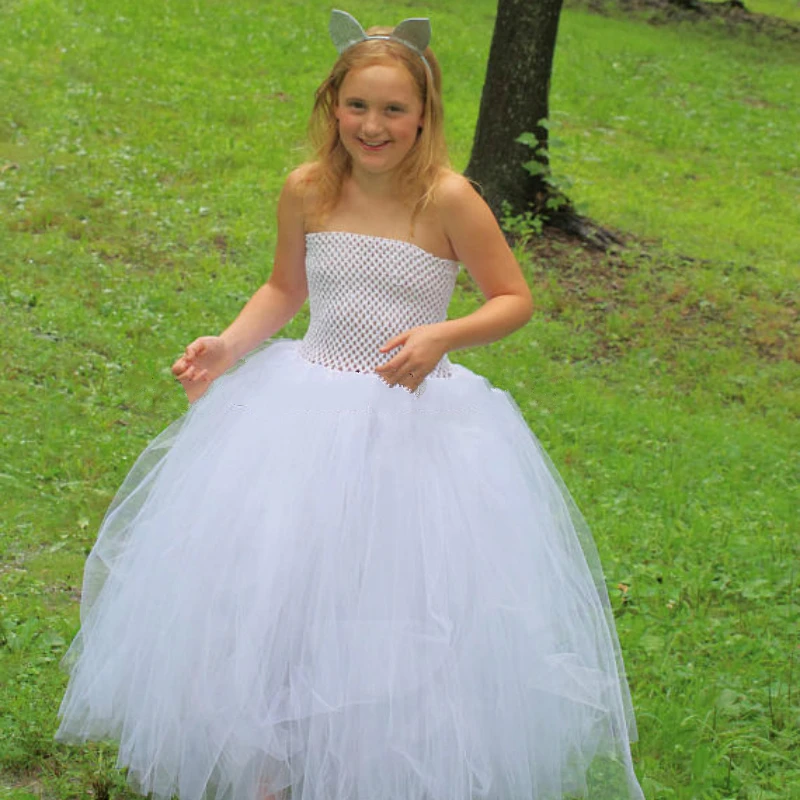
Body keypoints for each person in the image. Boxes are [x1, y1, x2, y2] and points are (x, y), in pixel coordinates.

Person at [56, 9, 645, 800]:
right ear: (334, 105)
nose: (374, 125)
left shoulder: (448, 199)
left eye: (394, 109)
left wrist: (444, 335)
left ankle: (369, 756)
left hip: (409, 425)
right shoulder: (308, 189)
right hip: (302, 417)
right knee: (280, 587)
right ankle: (270, 762)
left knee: (389, 599)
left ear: (424, 115)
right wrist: (228, 348)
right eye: (358, 106)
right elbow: (285, 288)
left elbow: (512, 299)